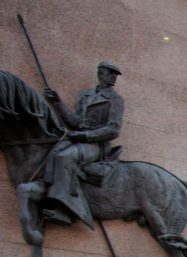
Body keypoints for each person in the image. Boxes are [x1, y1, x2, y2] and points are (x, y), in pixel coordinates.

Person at [41, 61, 125, 226]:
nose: (114, 77)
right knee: (54, 151)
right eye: (111, 73)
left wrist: (85, 136)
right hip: (81, 140)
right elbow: (77, 122)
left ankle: (65, 210)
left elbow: (113, 130)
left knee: (66, 156)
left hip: (98, 146)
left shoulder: (115, 99)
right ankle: (48, 190)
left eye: (115, 74)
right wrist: (57, 102)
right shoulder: (85, 96)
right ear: (101, 74)